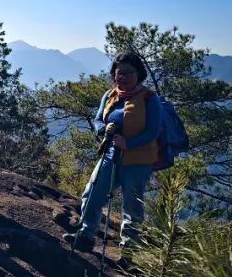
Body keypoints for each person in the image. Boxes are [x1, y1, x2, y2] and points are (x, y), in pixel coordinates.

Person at [63, 52, 161, 254]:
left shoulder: (149, 98)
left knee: (132, 206)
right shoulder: (110, 95)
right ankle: (86, 235)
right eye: (119, 73)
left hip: (138, 160)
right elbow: (98, 119)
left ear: (139, 74)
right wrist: (103, 129)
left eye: (128, 73)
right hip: (110, 154)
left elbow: (153, 131)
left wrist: (128, 143)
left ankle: (129, 251)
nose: (122, 77)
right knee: (92, 193)